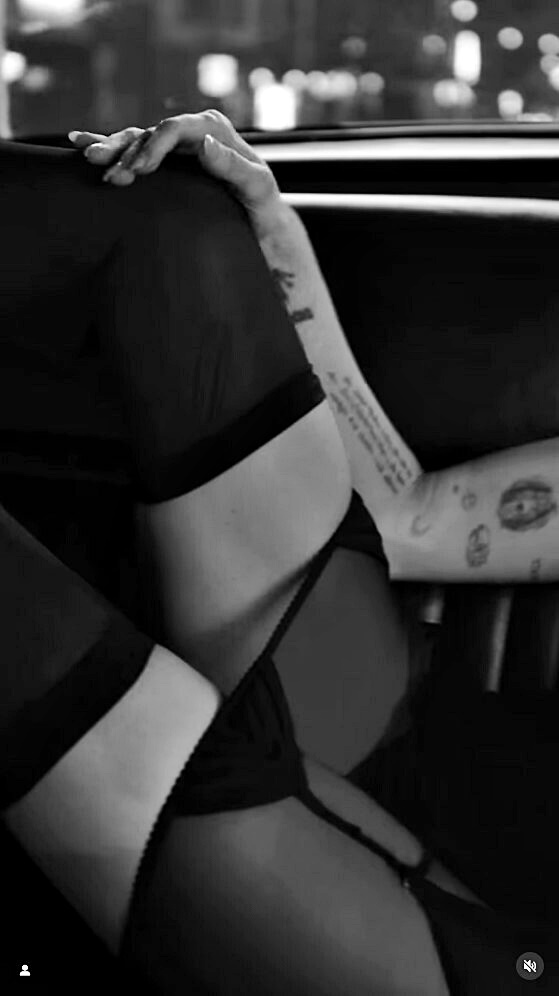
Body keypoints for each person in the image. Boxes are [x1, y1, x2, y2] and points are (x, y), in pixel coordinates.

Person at [0, 117, 557, 993]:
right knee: (175, 231)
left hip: (475, 964)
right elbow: (415, 517)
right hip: (413, 753)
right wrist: (272, 234)